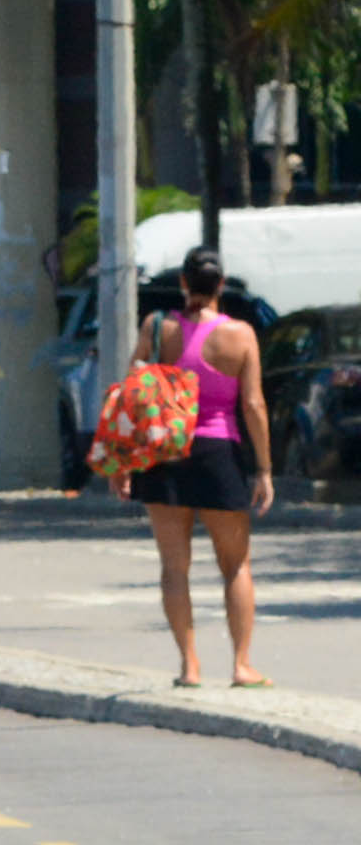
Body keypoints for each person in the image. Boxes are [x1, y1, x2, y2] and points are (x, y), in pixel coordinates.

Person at [111, 247, 275, 688]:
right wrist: (264, 469)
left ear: (183, 283)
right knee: (236, 565)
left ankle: (190, 665)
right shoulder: (240, 335)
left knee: (174, 565)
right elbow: (253, 404)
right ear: (221, 285)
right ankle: (242, 665)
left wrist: (122, 461)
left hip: (165, 454)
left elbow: (132, 396)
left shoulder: (157, 327)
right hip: (220, 453)